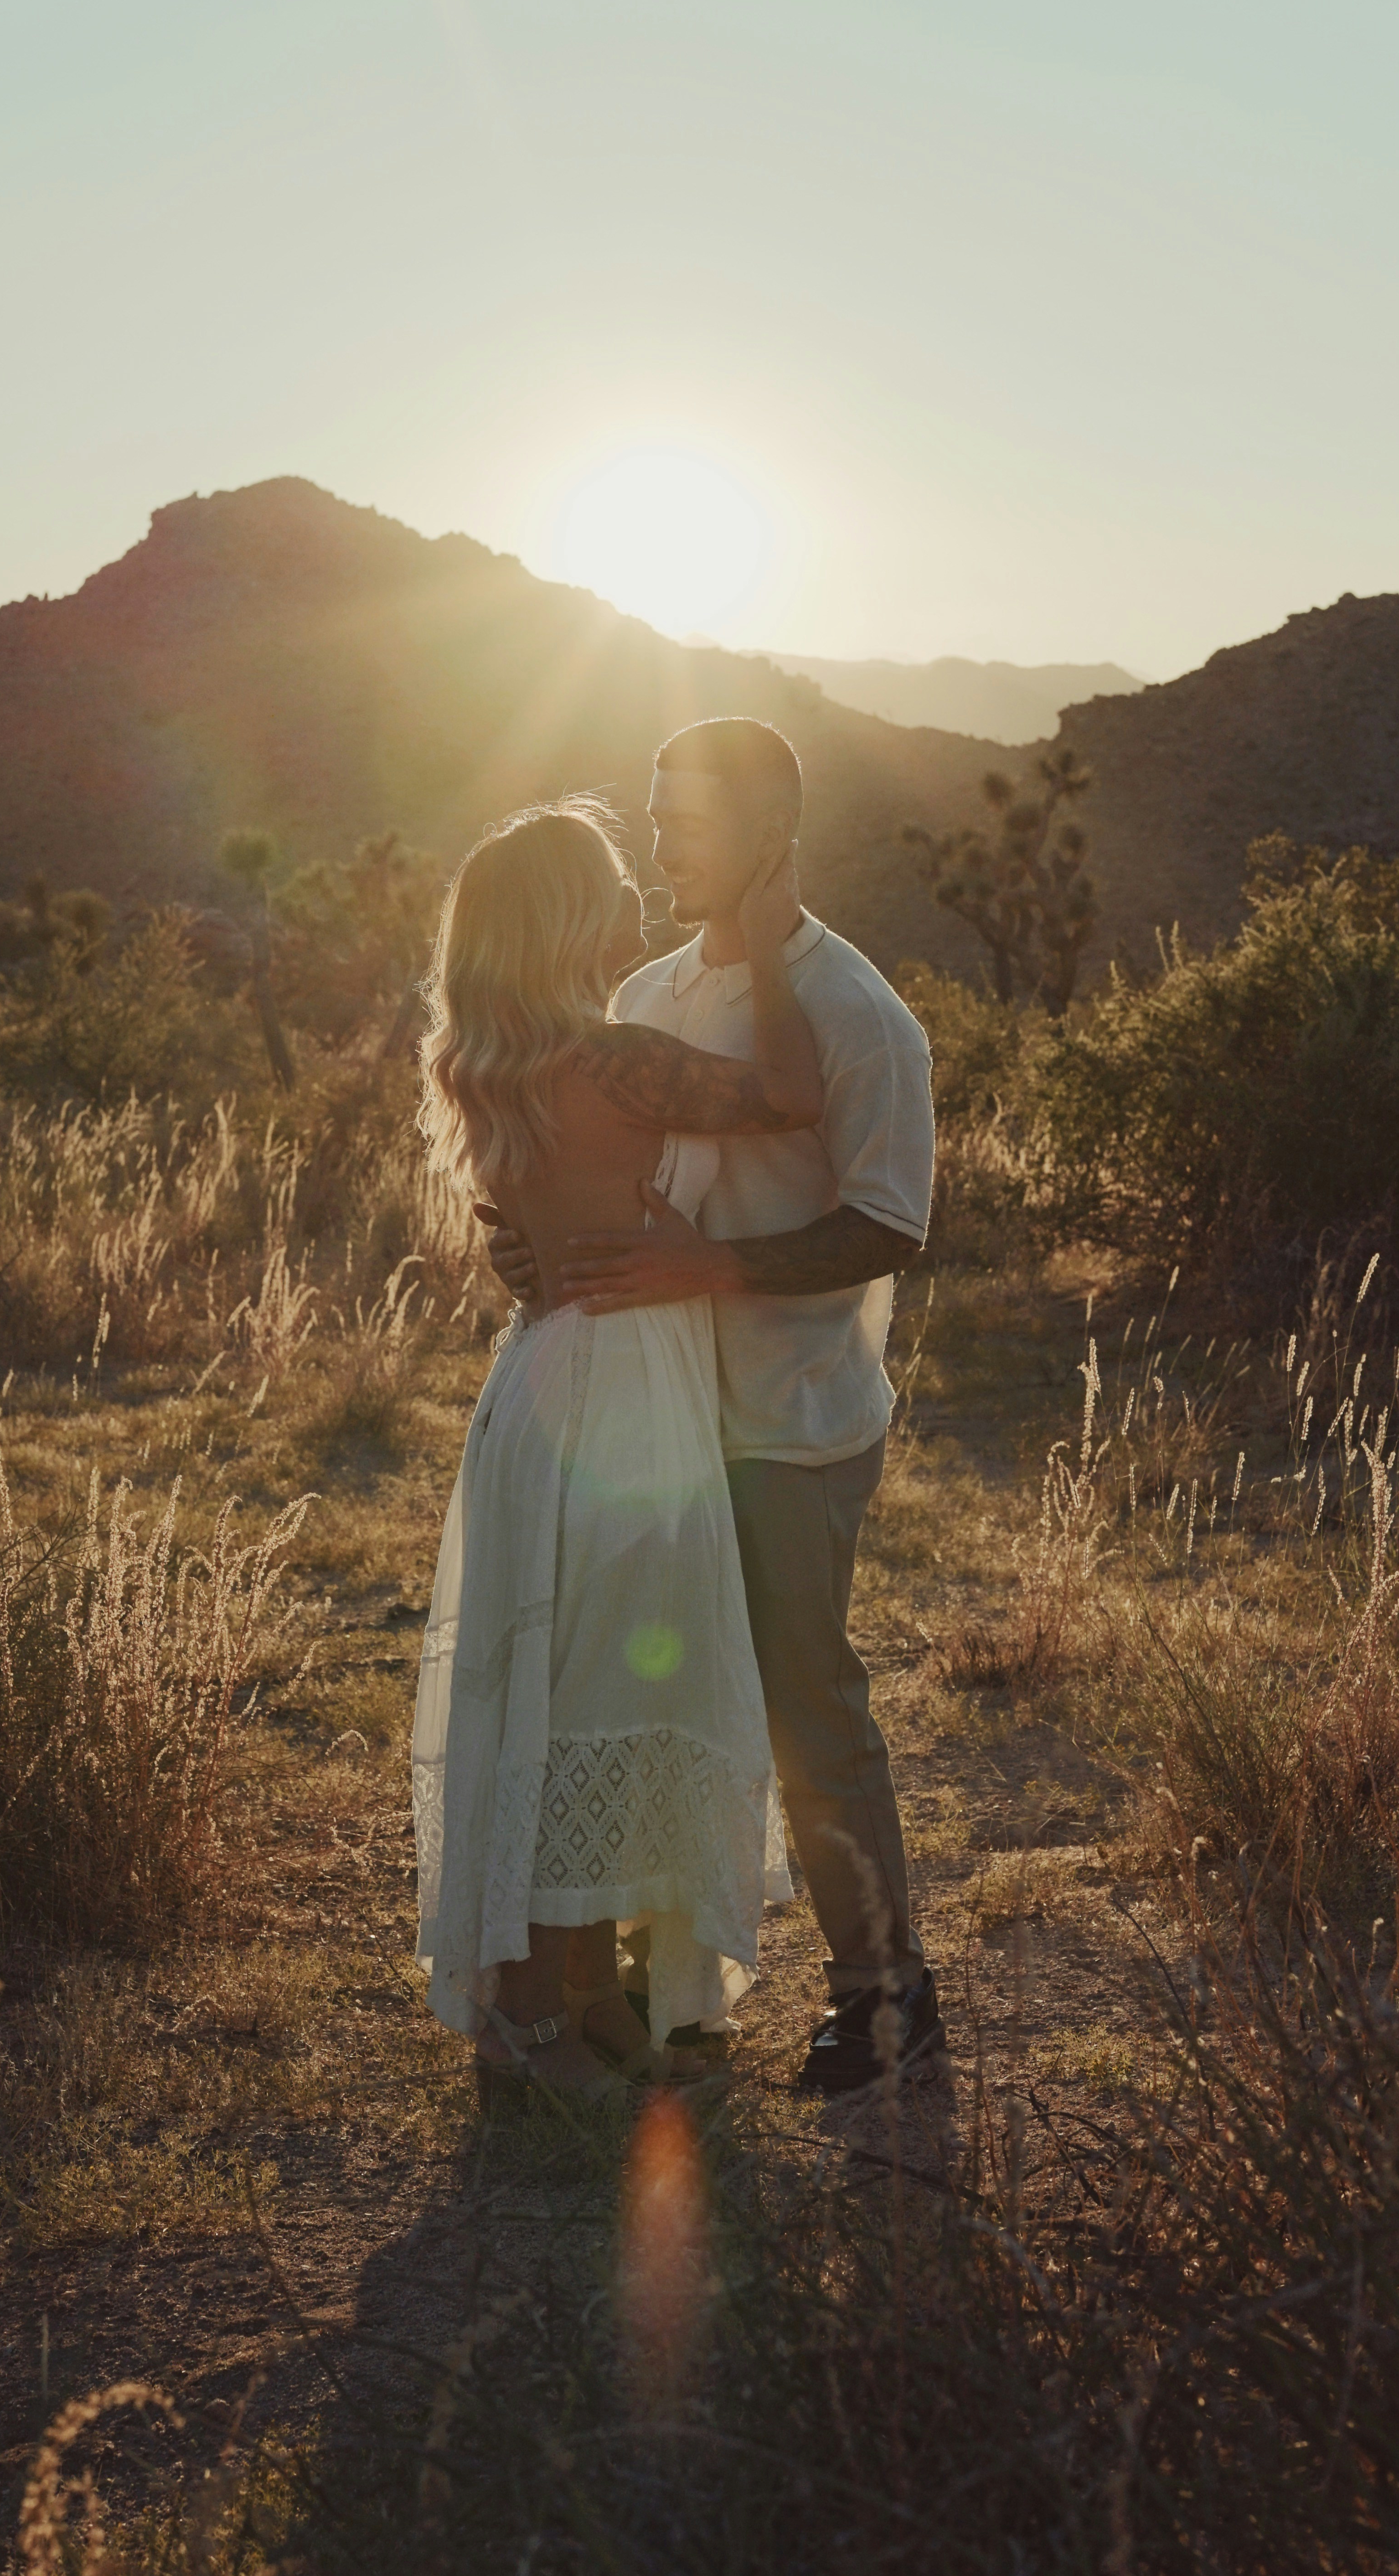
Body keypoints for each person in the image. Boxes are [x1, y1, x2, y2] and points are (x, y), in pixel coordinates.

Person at [483, 719, 943, 2093]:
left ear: (770, 839)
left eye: (687, 820)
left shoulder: (860, 1015)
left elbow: (891, 1223)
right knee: (652, 1707)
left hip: (788, 1424)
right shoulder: (650, 991)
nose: (664, 840)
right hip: (648, 1425)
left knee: (808, 1709)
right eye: (656, 810)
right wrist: (527, 1247)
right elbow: (584, 1151)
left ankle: (884, 1994)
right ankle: (657, 1989)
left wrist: (715, 1265)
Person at [411, 793, 820, 2105]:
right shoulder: (621, 1062)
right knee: (603, 1692)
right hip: (629, 1394)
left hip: (536, 1390)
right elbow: (797, 1096)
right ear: (571, 920)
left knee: (545, 1684)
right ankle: (545, 2029)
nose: (634, 902)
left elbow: (516, 1230)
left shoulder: (482, 1067)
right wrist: (766, 945)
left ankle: (574, 2014)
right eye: (607, 883)